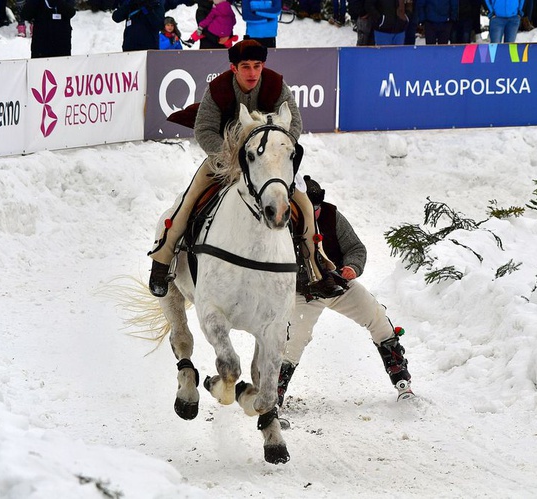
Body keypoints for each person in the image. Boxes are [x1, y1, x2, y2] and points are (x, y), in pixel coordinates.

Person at [148, 40, 344, 301]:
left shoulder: (276, 85)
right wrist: (230, 157)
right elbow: (203, 130)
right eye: (246, 67)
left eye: (257, 66)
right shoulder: (217, 89)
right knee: (187, 202)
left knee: (305, 207)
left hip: (267, 164)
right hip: (224, 161)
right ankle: (162, 263)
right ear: (234, 68)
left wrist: (276, 145)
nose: (252, 73)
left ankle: (316, 271)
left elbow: (294, 123)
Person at [277, 175, 414, 409]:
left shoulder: (331, 216)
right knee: (295, 340)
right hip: (304, 293)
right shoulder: (283, 223)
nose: (315, 214)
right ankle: (275, 393)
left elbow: (356, 248)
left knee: (377, 316)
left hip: (338, 285)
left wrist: (351, 267)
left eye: (317, 209)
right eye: (310, 209)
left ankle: (401, 379)